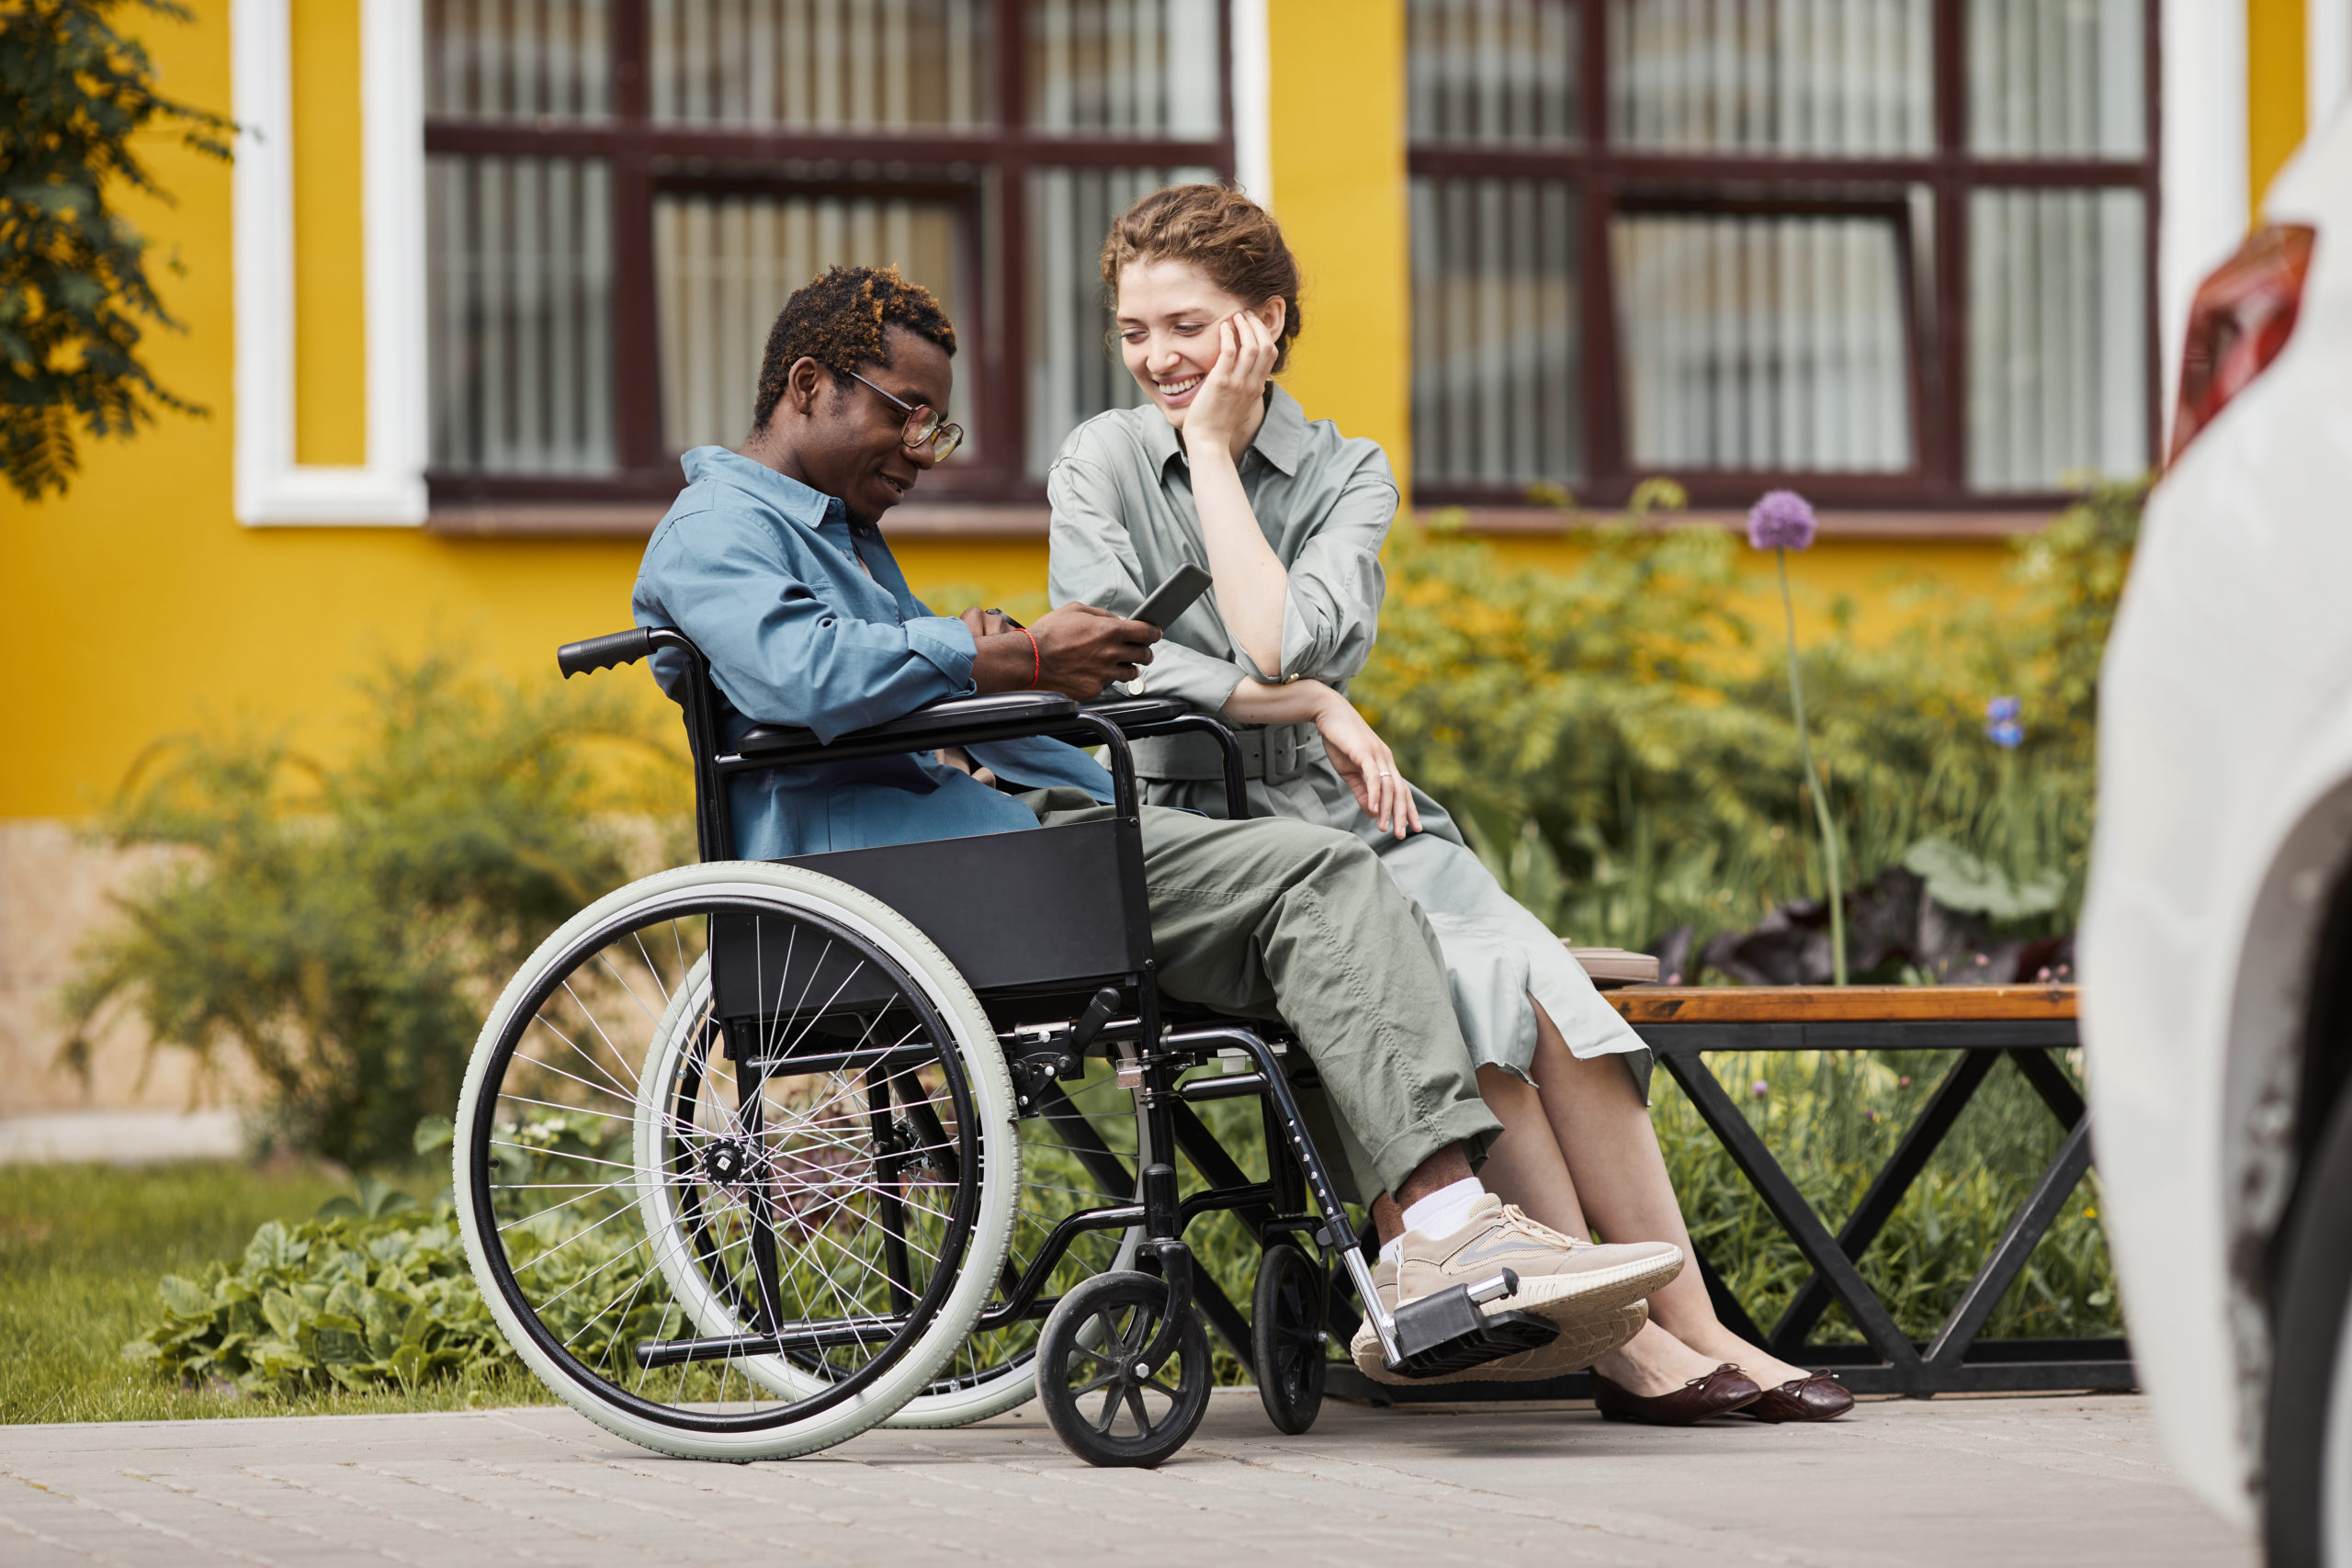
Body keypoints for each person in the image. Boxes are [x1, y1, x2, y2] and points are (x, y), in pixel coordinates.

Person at [629, 262, 1683, 1377]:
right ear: (808, 384)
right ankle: (1437, 1232)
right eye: (907, 413)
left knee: (1325, 884)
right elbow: (800, 677)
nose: (922, 449)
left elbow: (892, 689)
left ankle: (1425, 1243)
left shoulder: (832, 533)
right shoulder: (716, 527)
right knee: (1316, 878)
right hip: (892, 887)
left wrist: (1045, 686)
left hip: (970, 857)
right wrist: (1009, 654)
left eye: (937, 423)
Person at [1046, 186, 1852, 1425]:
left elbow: (1278, 637)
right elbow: (1131, 661)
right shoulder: (1100, 460)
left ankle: (1692, 1319)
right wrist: (1303, 691)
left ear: (1263, 323)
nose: (1158, 357)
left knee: (1554, 999)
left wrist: (1234, 503)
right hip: (1197, 823)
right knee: (1457, 984)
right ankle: (1622, 1342)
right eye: (1135, 329)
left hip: (1348, 810)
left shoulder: (1345, 471)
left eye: (1187, 326)